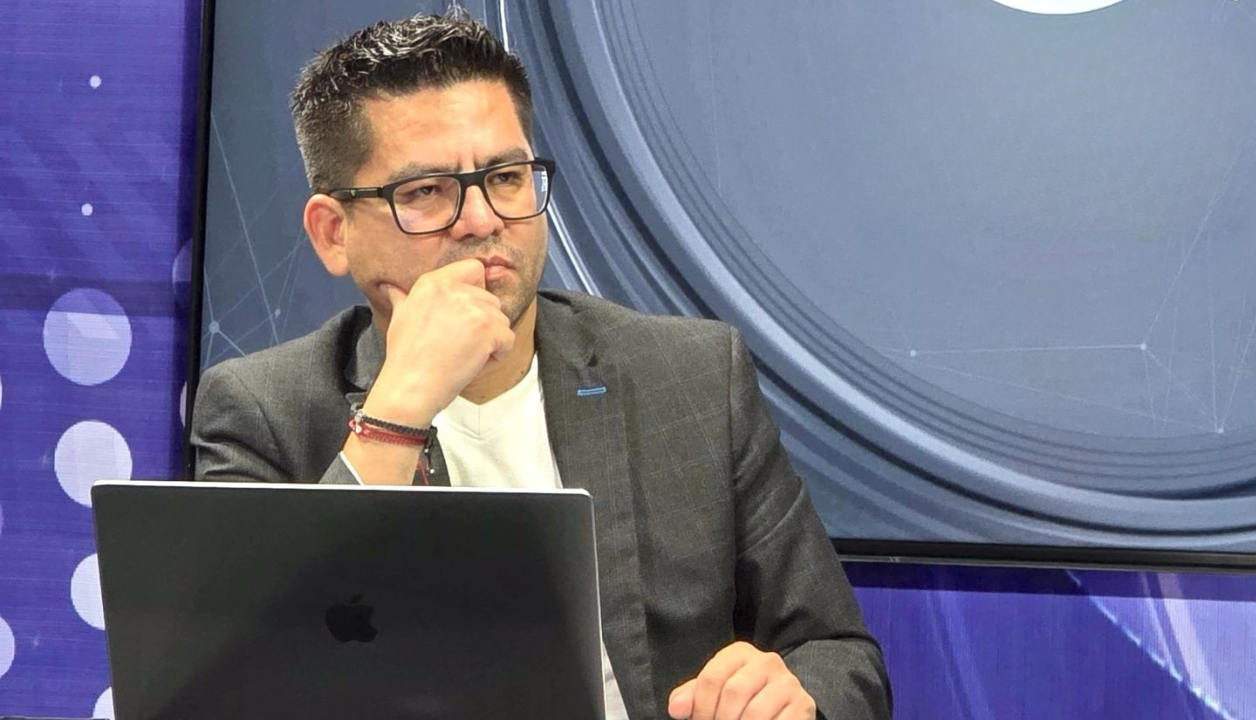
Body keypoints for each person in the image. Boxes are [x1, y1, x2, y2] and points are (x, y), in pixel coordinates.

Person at [191, 9, 891, 720]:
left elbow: (838, 655)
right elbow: (237, 690)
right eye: (425, 191)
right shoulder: (263, 412)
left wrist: (792, 697)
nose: (482, 220)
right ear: (333, 233)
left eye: (506, 176)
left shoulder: (693, 376)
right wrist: (396, 413)